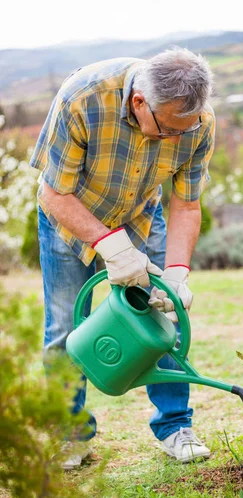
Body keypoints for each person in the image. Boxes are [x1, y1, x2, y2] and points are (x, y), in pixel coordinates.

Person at [29, 47, 216, 469]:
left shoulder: (196, 123)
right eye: (167, 129)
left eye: (181, 133)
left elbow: (186, 204)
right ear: (139, 102)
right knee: (63, 328)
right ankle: (69, 436)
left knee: (165, 320)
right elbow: (52, 192)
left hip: (139, 217)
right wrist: (111, 247)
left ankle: (175, 426)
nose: (174, 139)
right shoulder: (82, 98)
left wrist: (177, 274)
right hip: (69, 219)